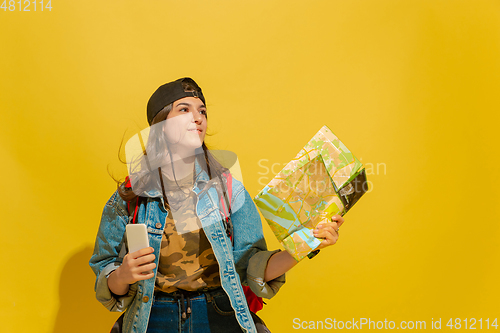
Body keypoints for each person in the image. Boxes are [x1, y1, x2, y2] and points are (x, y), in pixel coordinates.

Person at [89, 77, 344, 333]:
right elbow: (105, 269)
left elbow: (252, 267)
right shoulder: (131, 196)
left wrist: (306, 243)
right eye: (184, 110)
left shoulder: (228, 190)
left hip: (220, 317)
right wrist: (122, 275)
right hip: (151, 319)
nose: (198, 117)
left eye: (202, 111)